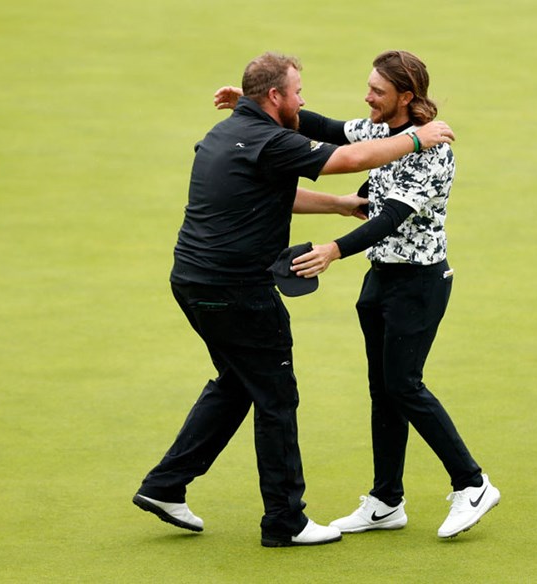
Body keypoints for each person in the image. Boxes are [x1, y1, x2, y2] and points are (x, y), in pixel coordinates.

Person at [132, 52, 456, 548]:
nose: (304, 100)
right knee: (276, 396)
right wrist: (416, 137)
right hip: (236, 290)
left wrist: (339, 205)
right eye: (297, 92)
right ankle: (285, 520)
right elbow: (347, 157)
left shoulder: (228, 133)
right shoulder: (273, 140)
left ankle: (165, 485)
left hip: (193, 283)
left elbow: (275, 191)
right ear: (276, 98)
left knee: (237, 383)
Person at [215, 49, 499, 540]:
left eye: (378, 91)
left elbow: (389, 218)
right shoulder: (377, 130)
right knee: (382, 391)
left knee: (404, 385)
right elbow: (323, 127)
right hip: (381, 280)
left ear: (406, 97)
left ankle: (472, 483)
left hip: (419, 282)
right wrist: (254, 101)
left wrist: (333, 250)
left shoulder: (433, 150)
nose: (367, 96)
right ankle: (387, 500)